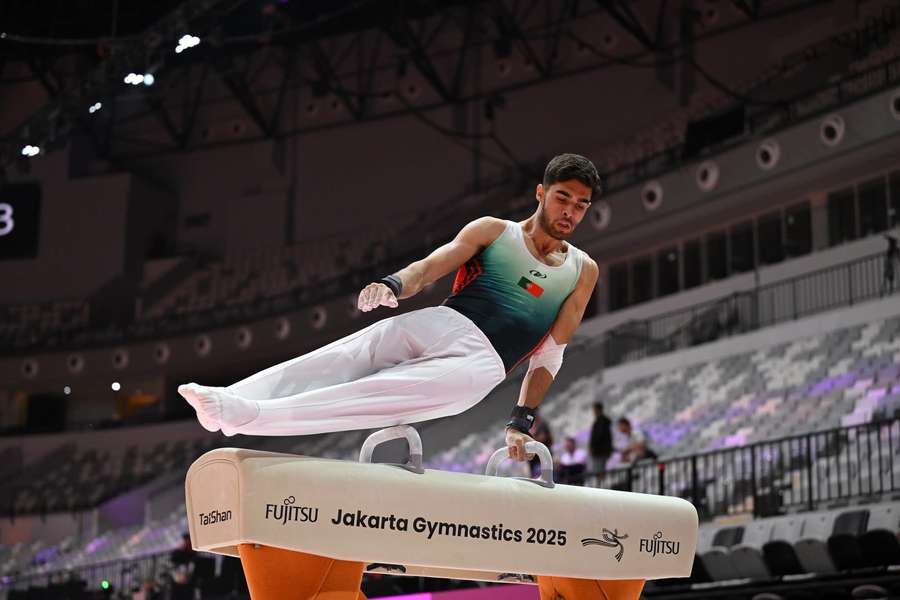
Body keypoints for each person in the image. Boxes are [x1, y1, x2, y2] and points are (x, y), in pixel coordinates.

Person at [178, 153, 600, 462]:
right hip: (445, 320)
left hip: (482, 364)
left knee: (373, 394)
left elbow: (550, 353)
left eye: (581, 205)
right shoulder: (493, 231)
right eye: (563, 198)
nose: (570, 212)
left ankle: (248, 415)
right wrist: (392, 284)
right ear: (542, 193)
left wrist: (520, 422)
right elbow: (432, 266)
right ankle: (231, 396)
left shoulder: (582, 270)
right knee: (351, 352)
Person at [588, 402, 613, 482]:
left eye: (594, 410)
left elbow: (599, 436)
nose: (594, 412)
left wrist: (593, 446)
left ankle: (602, 488)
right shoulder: (600, 422)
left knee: (600, 472)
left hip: (600, 452)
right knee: (599, 471)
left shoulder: (602, 422)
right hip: (600, 451)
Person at [528, 409, 554, 477]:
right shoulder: (530, 427)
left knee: (547, 472)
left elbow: (543, 438)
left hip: (544, 451)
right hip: (534, 455)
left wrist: (533, 439)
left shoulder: (543, 425)